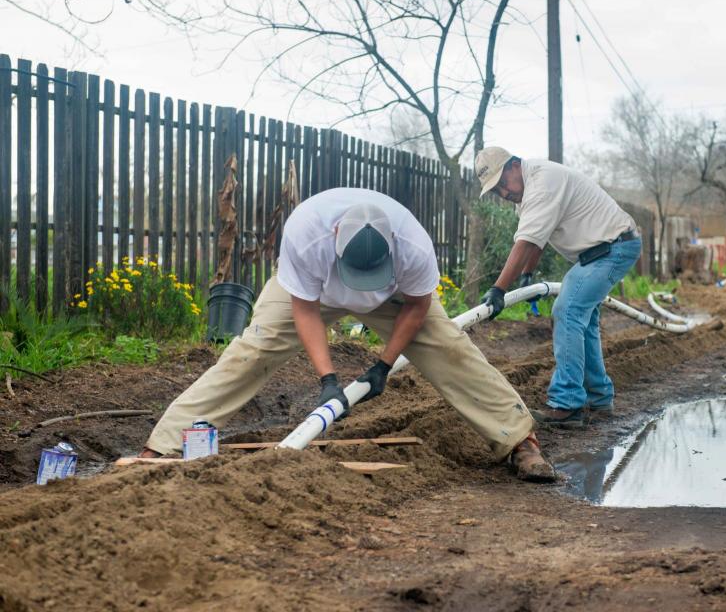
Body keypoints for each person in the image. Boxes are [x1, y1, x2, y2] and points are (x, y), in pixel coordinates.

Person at [139, 187, 556, 482]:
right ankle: (165, 444)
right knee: (251, 351)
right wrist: (328, 380)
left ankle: (519, 439)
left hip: (394, 297)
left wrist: (383, 364)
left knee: (450, 349)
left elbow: (417, 307)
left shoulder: (414, 246)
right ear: (335, 237)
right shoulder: (306, 233)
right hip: (312, 290)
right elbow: (304, 311)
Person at [475, 147, 641, 428]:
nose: (503, 193)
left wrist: (498, 289)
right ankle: (599, 399)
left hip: (613, 247)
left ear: (515, 165)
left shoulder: (542, 183)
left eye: (503, 184)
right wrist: (527, 274)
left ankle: (567, 404)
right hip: (604, 250)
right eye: (496, 191)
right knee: (581, 321)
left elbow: (526, 241)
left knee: (567, 312)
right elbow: (539, 235)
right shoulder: (530, 191)